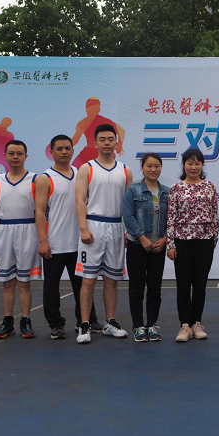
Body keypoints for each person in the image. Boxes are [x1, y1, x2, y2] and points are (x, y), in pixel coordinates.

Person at [35, 134, 101, 340]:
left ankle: (87, 320)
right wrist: (43, 241)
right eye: (59, 148)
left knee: (83, 284)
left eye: (67, 148)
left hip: (80, 242)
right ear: (51, 152)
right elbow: (39, 211)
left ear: (73, 150)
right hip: (55, 242)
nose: (64, 152)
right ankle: (56, 324)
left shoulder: (81, 173)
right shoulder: (45, 178)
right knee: (51, 287)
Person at [75, 124, 133, 344]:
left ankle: (110, 322)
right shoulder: (87, 168)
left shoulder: (125, 170)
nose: (107, 143)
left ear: (116, 142)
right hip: (93, 225)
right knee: (88, 279)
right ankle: (84, 324)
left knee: (112, 279)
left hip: (116, 227)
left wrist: (127, 230)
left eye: (111, 139)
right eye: (103, 139)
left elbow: (128, 205)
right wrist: (83, 228)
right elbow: (80, 199)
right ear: (95, 142)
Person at [166, 149, 219, 342]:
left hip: (204, 241)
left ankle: (196, 323)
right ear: (184, 165)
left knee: (200, 284)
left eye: (197, 163)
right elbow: (171, 217)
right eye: (190, 163)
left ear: (202, 165)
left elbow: (214, 214)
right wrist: (171, 244)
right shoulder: (176, 188)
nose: (194, 167)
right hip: (182, 241)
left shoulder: (209, 186)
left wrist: (213, 239)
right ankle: (185, 326)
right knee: (183, 284)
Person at [0, 140, 41, 339]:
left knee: (24, 282)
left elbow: (40, 210)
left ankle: (26, 320)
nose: (15, 156)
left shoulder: (34, 179)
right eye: (11, 153)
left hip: (27, 230)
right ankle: (7, 320)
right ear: (5, 156)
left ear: (26, 156)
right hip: (4, 231)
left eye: (19, 153)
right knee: (7, 282)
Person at [123, 153, 169, 343]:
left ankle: (151, 325)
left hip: (158, 247)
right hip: (137, 245)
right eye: (149, 166)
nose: (153, 169)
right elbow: (128, 216)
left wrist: (165, 239)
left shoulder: (167, 192)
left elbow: (172, 218)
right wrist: (141, 237)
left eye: (157, 166)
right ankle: (138, 326)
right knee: (136, 288)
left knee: (155, 288)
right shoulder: (133, 190)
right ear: (142, 168)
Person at [71, 97, 126, 168]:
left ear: (98, 109)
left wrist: (119, 145)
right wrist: (65, 145)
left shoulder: (105, 121)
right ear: (86, 109)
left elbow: (121, 131)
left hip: (104, 153)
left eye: (94, 109)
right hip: (87, 153)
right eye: (89, 108)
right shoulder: (82, 123)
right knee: (74, 169)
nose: (91, 111)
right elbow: (75, 140)